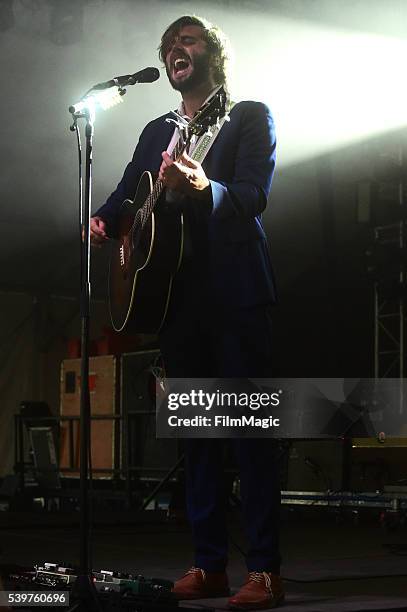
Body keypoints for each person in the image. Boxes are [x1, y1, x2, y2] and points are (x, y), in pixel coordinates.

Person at [91, 15, 284, 610]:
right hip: (179, 300)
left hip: (236, 295)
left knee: (250, 436)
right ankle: (207, 564)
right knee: (198, 439)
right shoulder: (156, 131)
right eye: (171, 43)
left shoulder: (248, 116)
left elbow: (253, 195)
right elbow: (129, 192)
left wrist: (207, 187)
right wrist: (105, 219)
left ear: (212, 55)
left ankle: (265, 571)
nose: (178, 47)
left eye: (190, 39)